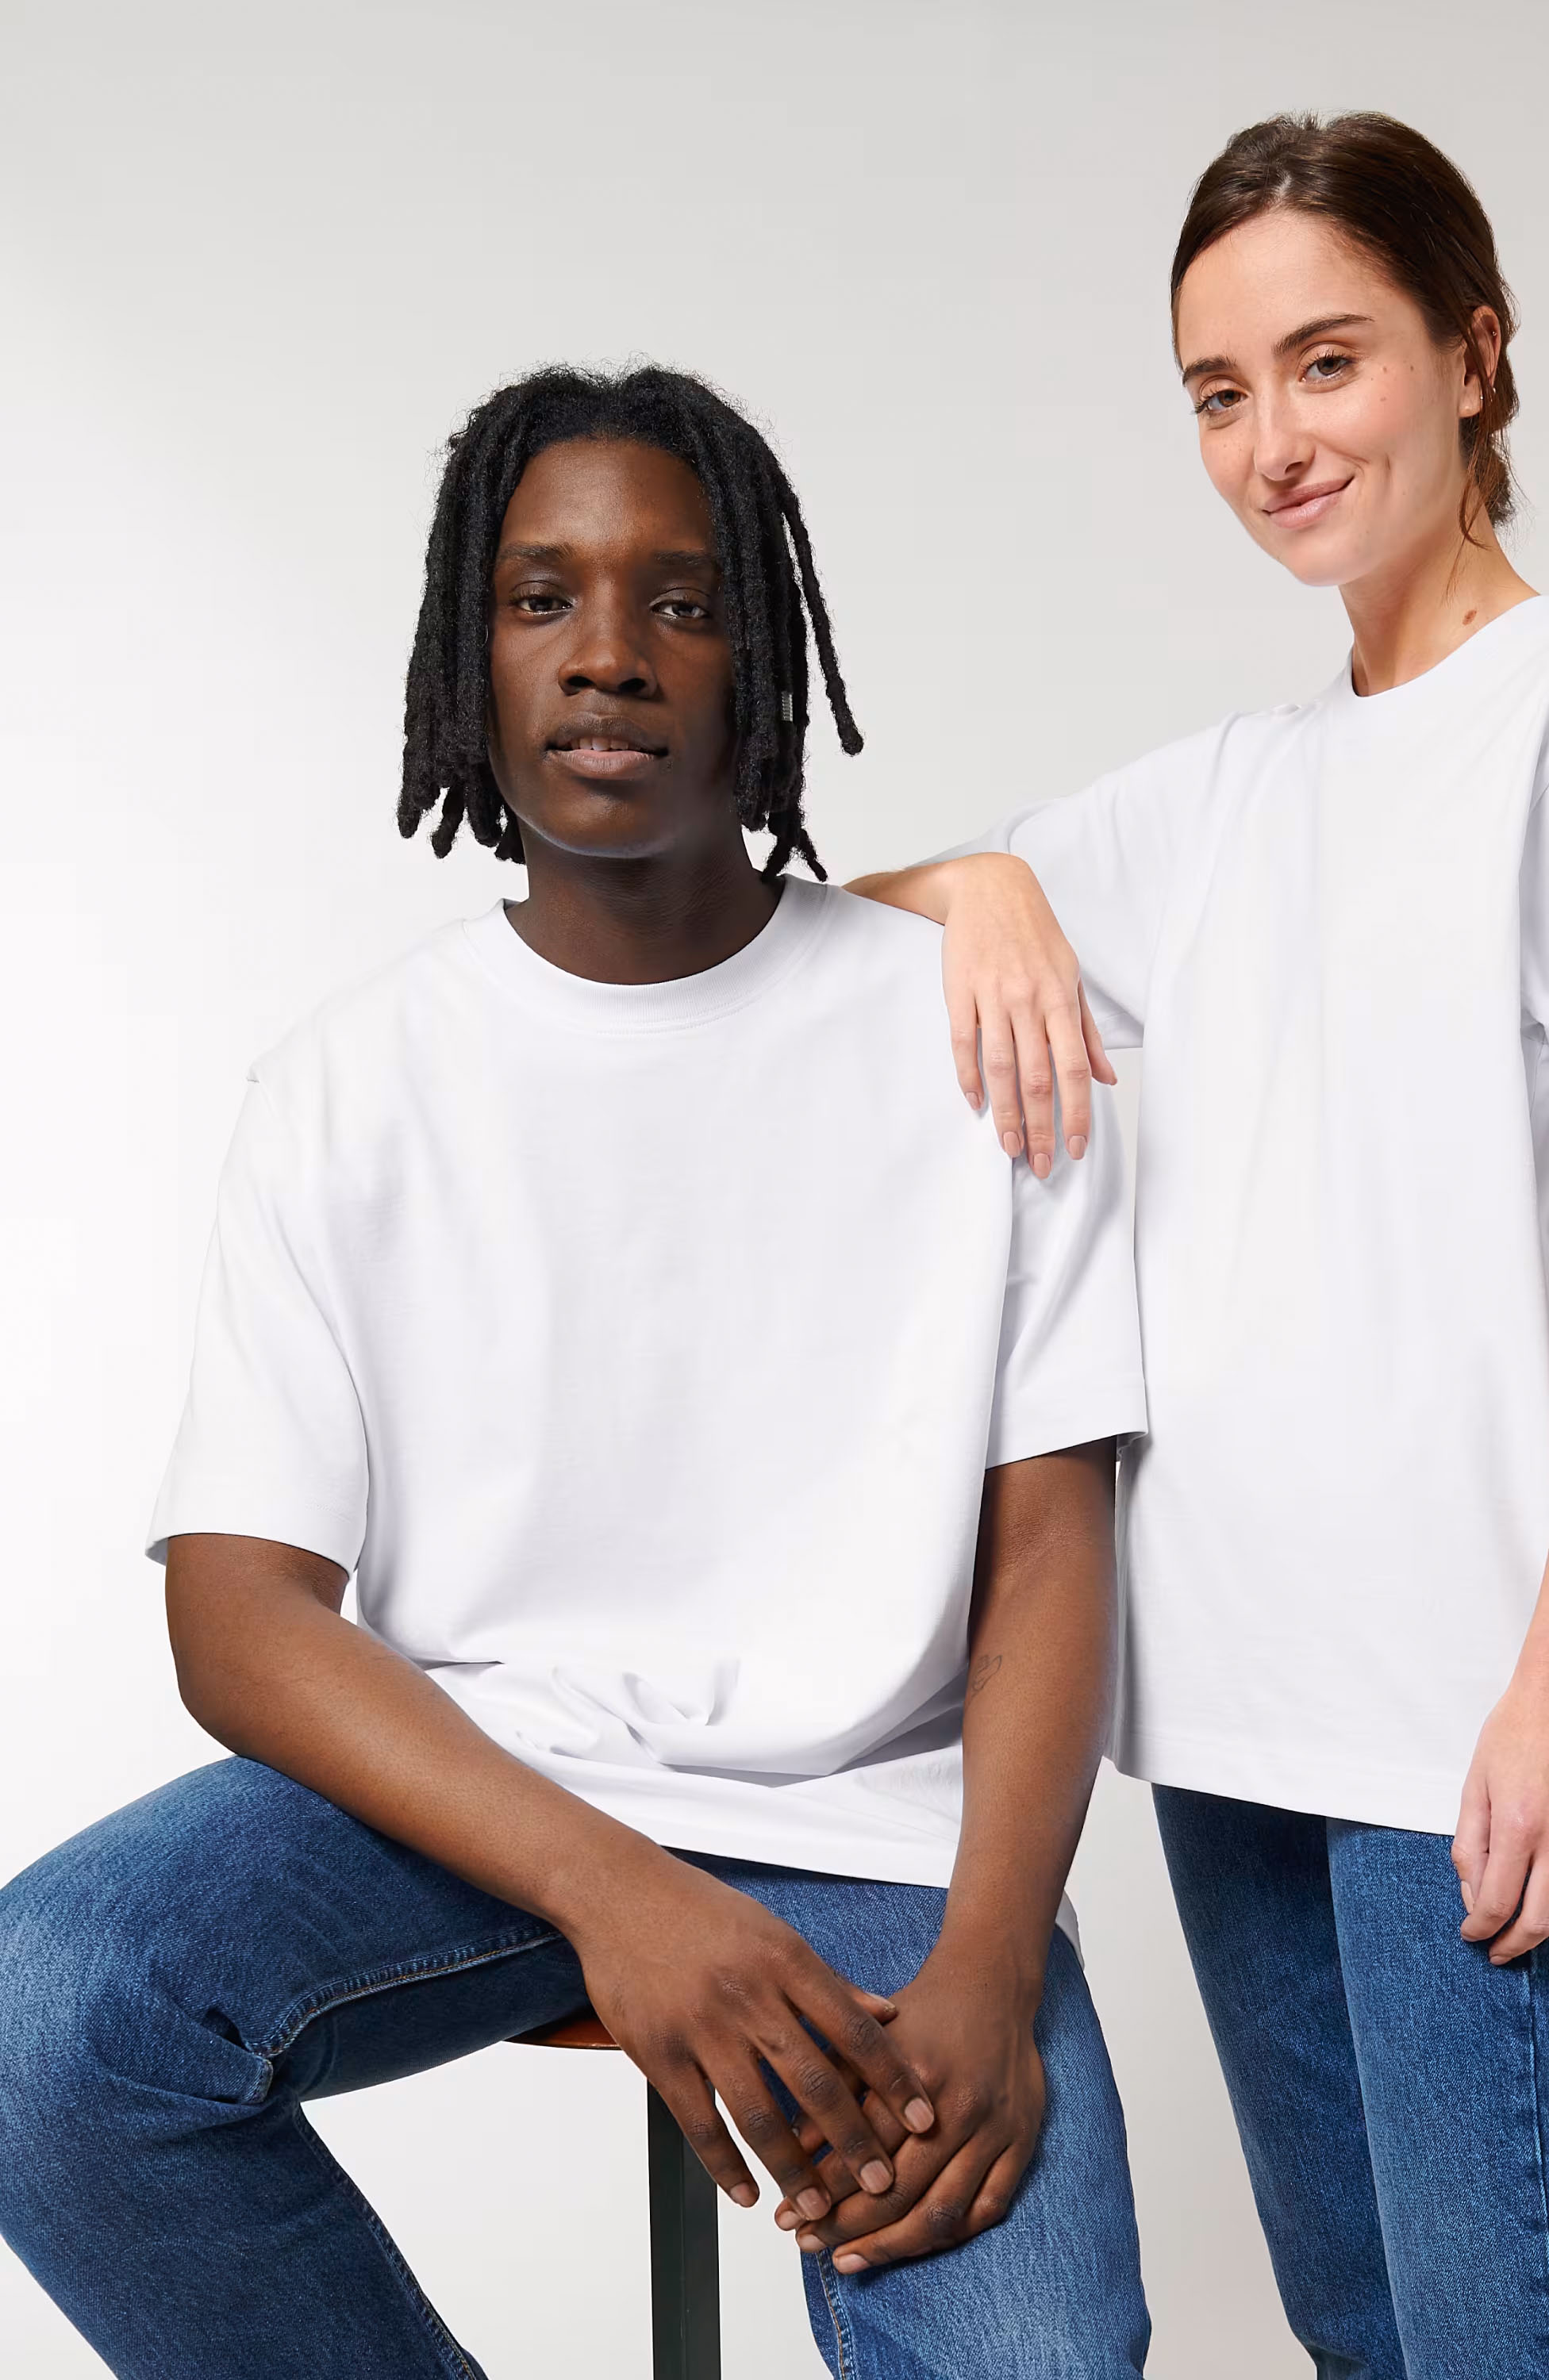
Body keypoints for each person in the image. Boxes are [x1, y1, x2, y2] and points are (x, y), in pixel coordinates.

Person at [0, 367, 1153, 2380]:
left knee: (1037, 2356)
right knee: (45, 2025)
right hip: (484, 1803)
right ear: (472, 657)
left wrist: (990, 1964)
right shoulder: (350, 1087)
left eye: (679, 603)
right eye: (542, 599)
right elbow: (239, 1613)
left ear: (759, 663)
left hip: (880, 1840)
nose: (607, 655)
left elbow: (1053, 1549)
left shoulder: (969, 1035)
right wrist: (624, 1898)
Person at [848, 113, 1549, 2380]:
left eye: (1327, 361)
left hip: (1457, 1714)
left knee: (1502, 2353)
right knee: (1365, 2341)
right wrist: (982, 884)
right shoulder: (1224, 794)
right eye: (1219, 390)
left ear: (1474, 354)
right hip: (1219, 1702)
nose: (1273, 439)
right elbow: (834, 939)